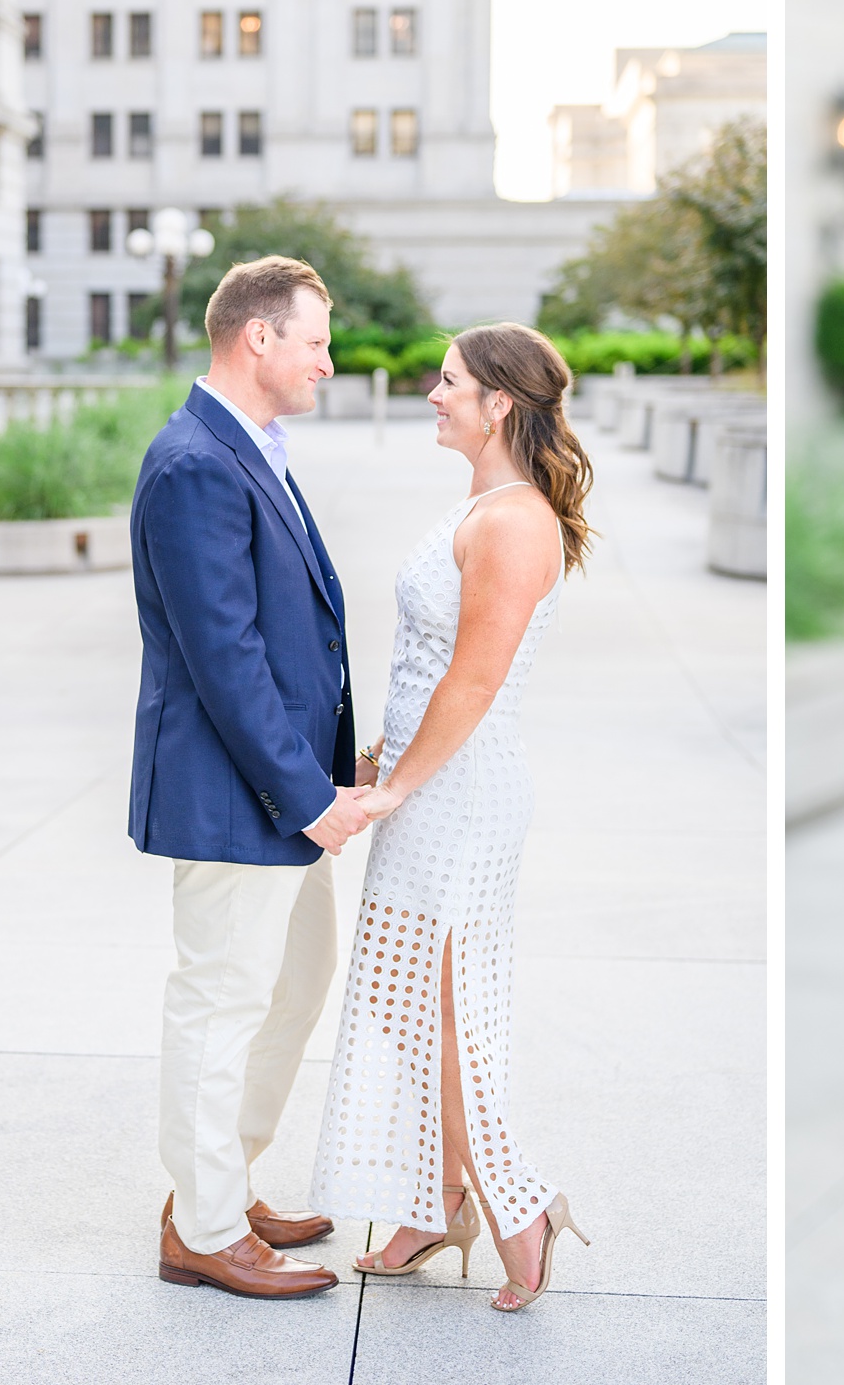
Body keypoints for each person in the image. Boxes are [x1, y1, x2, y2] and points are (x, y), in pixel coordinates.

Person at [310, 322, 595, 1312]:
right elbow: (437, 665)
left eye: (450, 383)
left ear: (498, 406)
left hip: (463, 795)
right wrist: (383, 759)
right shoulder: (484, 502)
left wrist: (394, 787)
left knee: (446, 1019)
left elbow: (476, 679)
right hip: (434, 785)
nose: (435, 395)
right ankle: (434, 1201)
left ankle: (522, 1213)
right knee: (405, 1003)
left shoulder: (514, 520)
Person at [129, 255, 369, 1300]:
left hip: (280, 791)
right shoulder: (193, 464)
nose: (327, 358)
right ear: (257, 338)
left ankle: (218, 1183)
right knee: (221, 1001)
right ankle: (207, 1228)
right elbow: (225, 657)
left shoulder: (253, 447)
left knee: (295, 982)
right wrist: (310, 796)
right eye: (314, 338)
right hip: (240, 798)